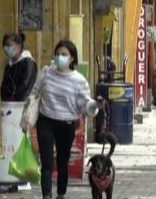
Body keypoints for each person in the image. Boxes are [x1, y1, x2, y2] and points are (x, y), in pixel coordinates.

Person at [35, 40, 103, 199]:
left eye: (64, 54)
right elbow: (34, 91)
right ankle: (46, 195)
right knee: (46, 162)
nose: (60, 57)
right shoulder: (46, 72)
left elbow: (84, 105)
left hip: (66, 125)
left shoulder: (78, 80)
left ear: (72, 58)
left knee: (62, 162)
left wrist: (95, 105)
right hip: (45, 121)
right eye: (57, 54)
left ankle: (60, 193)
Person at [0, 33, 37, 102]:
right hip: (8, 104)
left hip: (22, 104)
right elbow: (4, 86)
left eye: (9, 45)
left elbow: (25, 86)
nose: (6, 48)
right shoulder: (9, 65)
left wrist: (12, 96)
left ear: (19, 46)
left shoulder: (27, 62)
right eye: (4, 45)